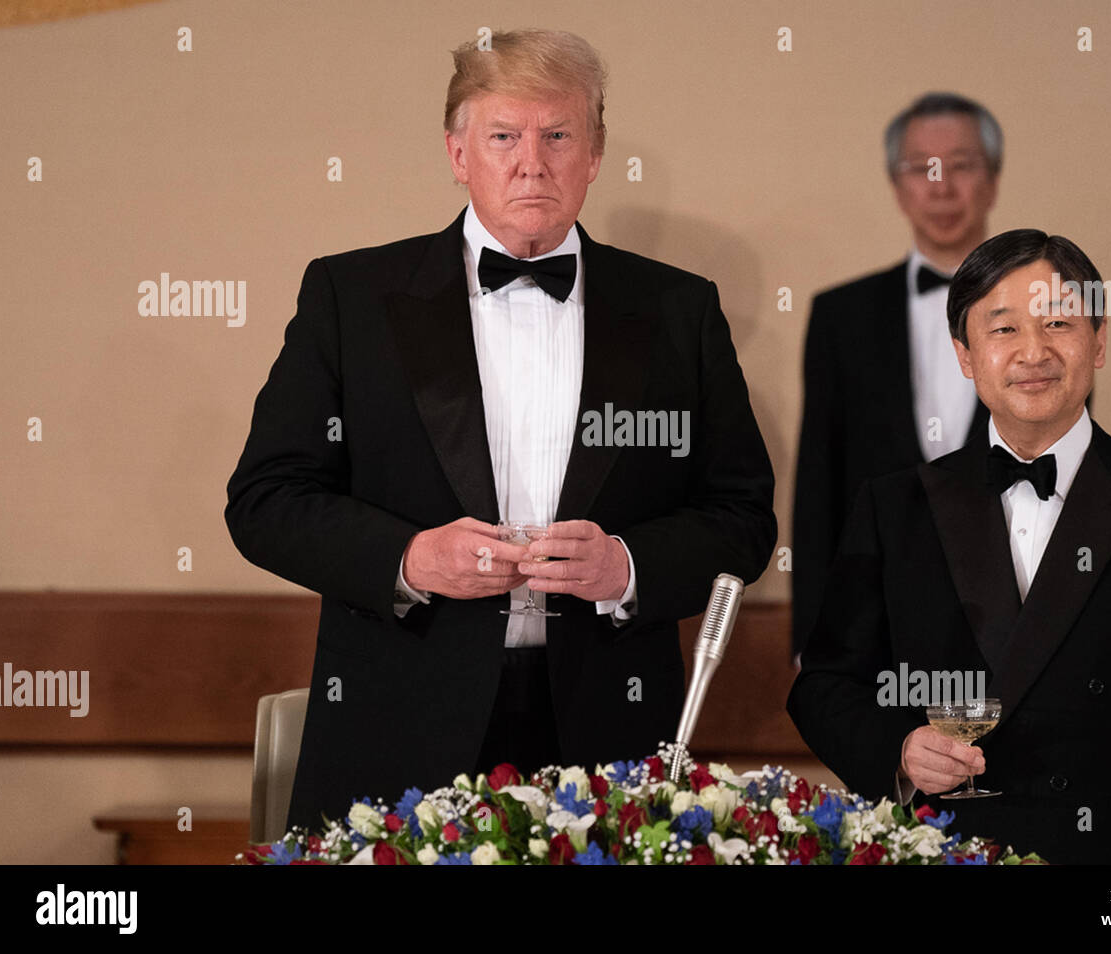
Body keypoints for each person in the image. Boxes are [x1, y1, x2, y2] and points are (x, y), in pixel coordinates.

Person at [225, 29, 776, 832]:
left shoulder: (678, 309)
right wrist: (411, 558)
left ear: (594, 156)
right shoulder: (350, 296)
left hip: (608, 735)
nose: (532, 162)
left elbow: (742, 518)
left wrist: (626, 566)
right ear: (458, 153)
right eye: (504, 136)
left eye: (558, 136)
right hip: (397, 731)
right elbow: (265, 501)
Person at [787, 229, 1111, 864]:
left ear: (1099, 341)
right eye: (1003, 329)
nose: (1034, 351)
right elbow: (824, 685)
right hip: (943, 847)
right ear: (965, 354)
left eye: (1058, 323)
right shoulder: (895, 506)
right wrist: (897, 749)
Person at [792, 93, 1002, 658]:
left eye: (961, 165)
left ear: (993, 179)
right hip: (870, 621)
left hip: (1011, 620)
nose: (941, 187)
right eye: (920, 168)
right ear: (896, 184)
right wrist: (811, 635)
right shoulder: (841, 315)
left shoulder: (1046, 310)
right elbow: (818, 480)